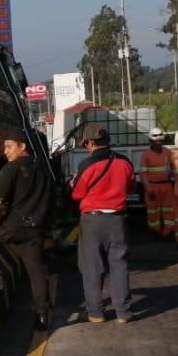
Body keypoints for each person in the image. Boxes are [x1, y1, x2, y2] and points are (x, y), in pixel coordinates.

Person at [0, 129, 54, 330]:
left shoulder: (11, 168)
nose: (4, 151)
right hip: (35, 230)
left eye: (8, 146)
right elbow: (51, 201)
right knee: (36, 272)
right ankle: (42, 316)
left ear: (22, 146)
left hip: (12, 227)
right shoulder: (43, 169)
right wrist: (47, 227)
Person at [70, 123, 137, 324]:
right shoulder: (124, 162)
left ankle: (96, 312)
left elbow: (77, 194)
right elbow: (132, 187)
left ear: (91, 142)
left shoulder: (87, 165)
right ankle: (123, 312)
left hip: (93, 220)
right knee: (119, 264)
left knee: (92, 266)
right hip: (117, 219)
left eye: (86, 145)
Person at [138, 127, 174, 238]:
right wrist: (149, 189)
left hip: (167, 186)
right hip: (153, 186)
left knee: (169, 210)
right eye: (156, 141)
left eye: (160, 141)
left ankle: (169, 231)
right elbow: (143, 174)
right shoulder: (146, 155)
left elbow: (175, 167)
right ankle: (155, 232)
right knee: (153, 211)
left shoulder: (168, 152)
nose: (158, 143)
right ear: (150, 142)